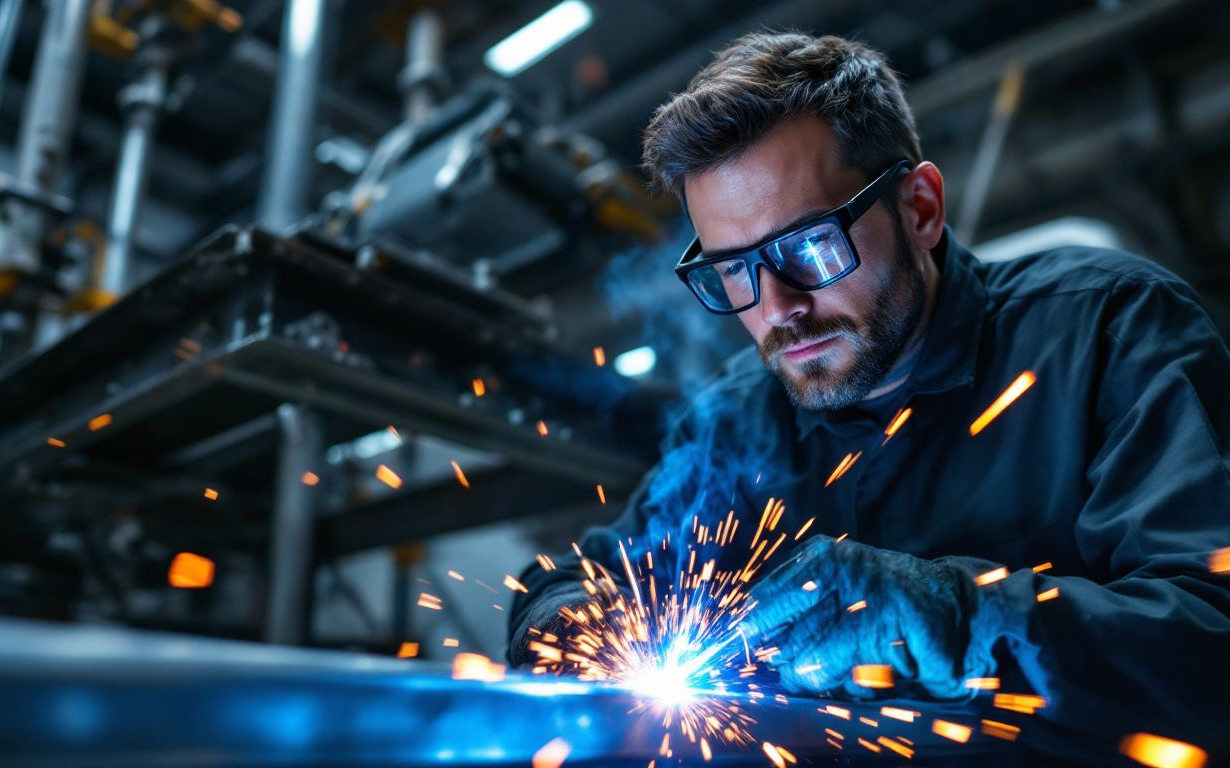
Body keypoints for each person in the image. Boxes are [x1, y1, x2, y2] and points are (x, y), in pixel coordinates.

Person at [507, 30, 1230, 759]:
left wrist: (965, 619)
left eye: (810, 247)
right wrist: (577, 625)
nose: (778, 307)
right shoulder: (735, 418)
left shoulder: (1105, 328)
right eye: (735, 271)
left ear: (919, 208)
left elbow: (1214, 637)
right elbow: (577, 580)